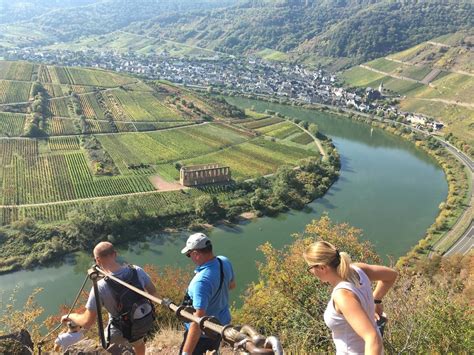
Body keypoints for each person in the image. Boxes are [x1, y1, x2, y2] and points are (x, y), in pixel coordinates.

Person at [61, 242, 157, 355]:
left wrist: (70, 316)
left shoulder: (100, 287)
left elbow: (87, 322)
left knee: (104, 345)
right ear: (115, 254)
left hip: (118, 332)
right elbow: (154, 295)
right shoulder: (136, 271)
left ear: (97, 260)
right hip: (142, 321)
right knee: (137, 341)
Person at [303, 241, 397, 355]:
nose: (311, 272)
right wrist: (375, 299)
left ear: (322, 267)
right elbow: (391, 275)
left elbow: (372, 338)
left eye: (310, 268)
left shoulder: (342, 296)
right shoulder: (358, 270)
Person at [179, 233, 236, 355]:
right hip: (219, 327)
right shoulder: (224, 261)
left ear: (196, 254)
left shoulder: (201, 281)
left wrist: (186, 353)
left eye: (189, 255)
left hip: (202, 336)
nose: (190, 258)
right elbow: (232, 285)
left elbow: (197, 321)